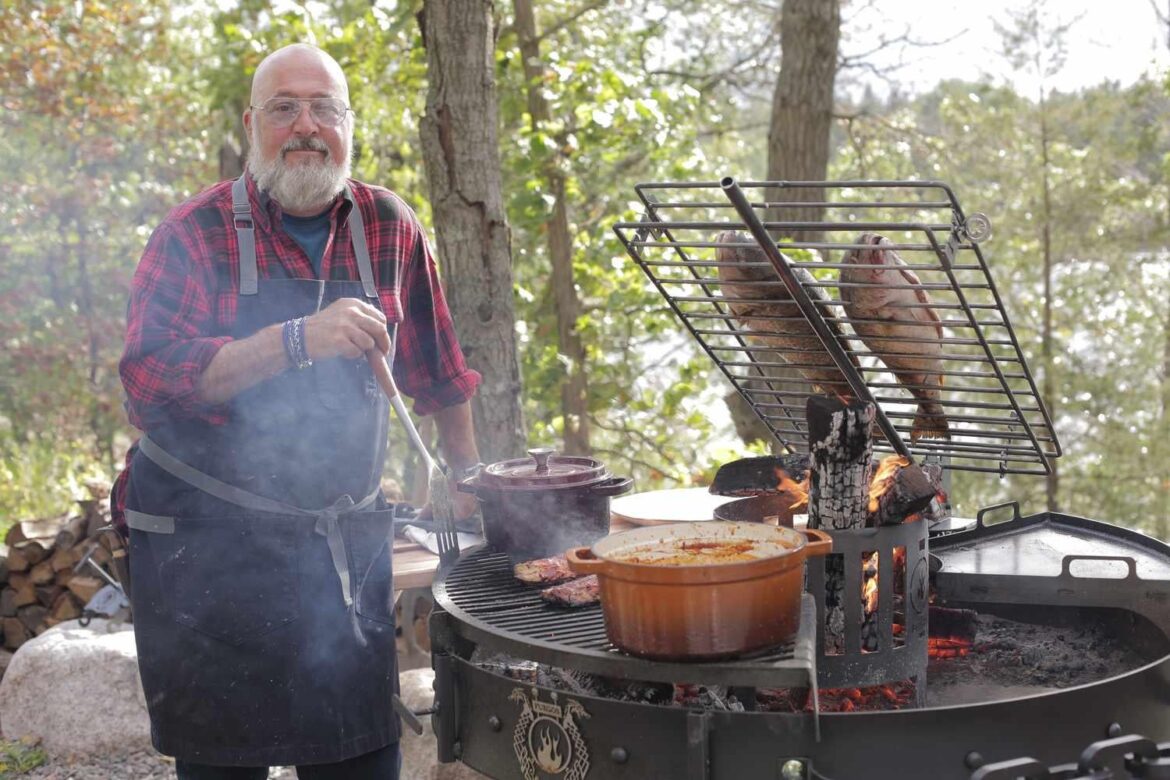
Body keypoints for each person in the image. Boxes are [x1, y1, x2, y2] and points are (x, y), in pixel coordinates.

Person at [112, 43, 482, 779]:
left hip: (337, 549)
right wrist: (293, 341)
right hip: (207, 549)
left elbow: (439, 371)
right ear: (252, 124)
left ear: (349, 126)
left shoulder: (389, 225)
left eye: (324, 109)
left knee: (363, 758)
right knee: (224, 767)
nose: (305, 126)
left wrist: (469, 478)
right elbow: (147, 386)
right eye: (284, 108)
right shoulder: (193, 234)